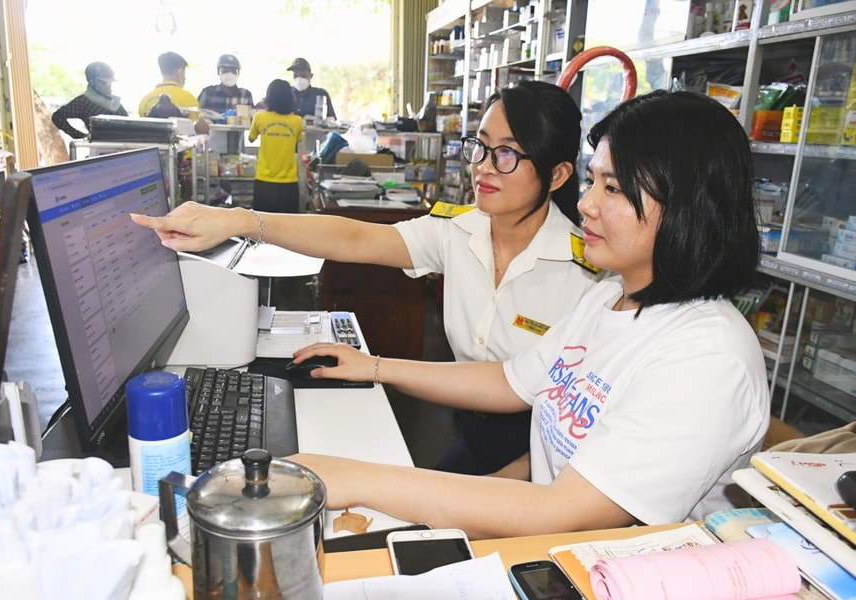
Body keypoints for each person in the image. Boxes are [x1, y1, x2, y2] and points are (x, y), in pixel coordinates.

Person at [145, 90, 771, 539]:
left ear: (689, 207)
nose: (588, 205)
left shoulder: (705, 354)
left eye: (614, 189)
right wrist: (374, 368)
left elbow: (566, 511)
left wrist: (351, 477)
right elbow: (510, 379)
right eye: (594, 181)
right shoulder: (611, 296)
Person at [130, 80, 602, 476]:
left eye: (507, 155)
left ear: (557, 175)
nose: (481, 167)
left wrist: (505, 490)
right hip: (473, 435)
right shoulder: (459, 231)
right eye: (480, 146)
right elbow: (353, 239)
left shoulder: (590, 277)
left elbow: (573, 432)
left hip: (546, 457)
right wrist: (237, 222)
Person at [247, 79, 303, 213]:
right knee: (287, 227)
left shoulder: (259, 118)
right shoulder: (297, 121)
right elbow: (298, 139)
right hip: (289, 183)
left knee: (261, 225)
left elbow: (251, 138)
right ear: (290, 98)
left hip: (264, 180)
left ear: (268, 97)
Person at [51, 61, 127, 139]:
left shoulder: (115, 103)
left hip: (122, 147)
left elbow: (130, 126)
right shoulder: (83, 102)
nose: (109, 87)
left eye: (110, 83)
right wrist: (79, 135)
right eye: (104, 82)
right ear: (92, 82)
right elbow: (57, 117)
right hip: (98, 148)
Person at [138, 51, 207, 134]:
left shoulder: (145, 100)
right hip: (181, 146)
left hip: (152, 146)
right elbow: (202, 129)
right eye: (184, 72)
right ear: (180, 71)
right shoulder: (187, 97)